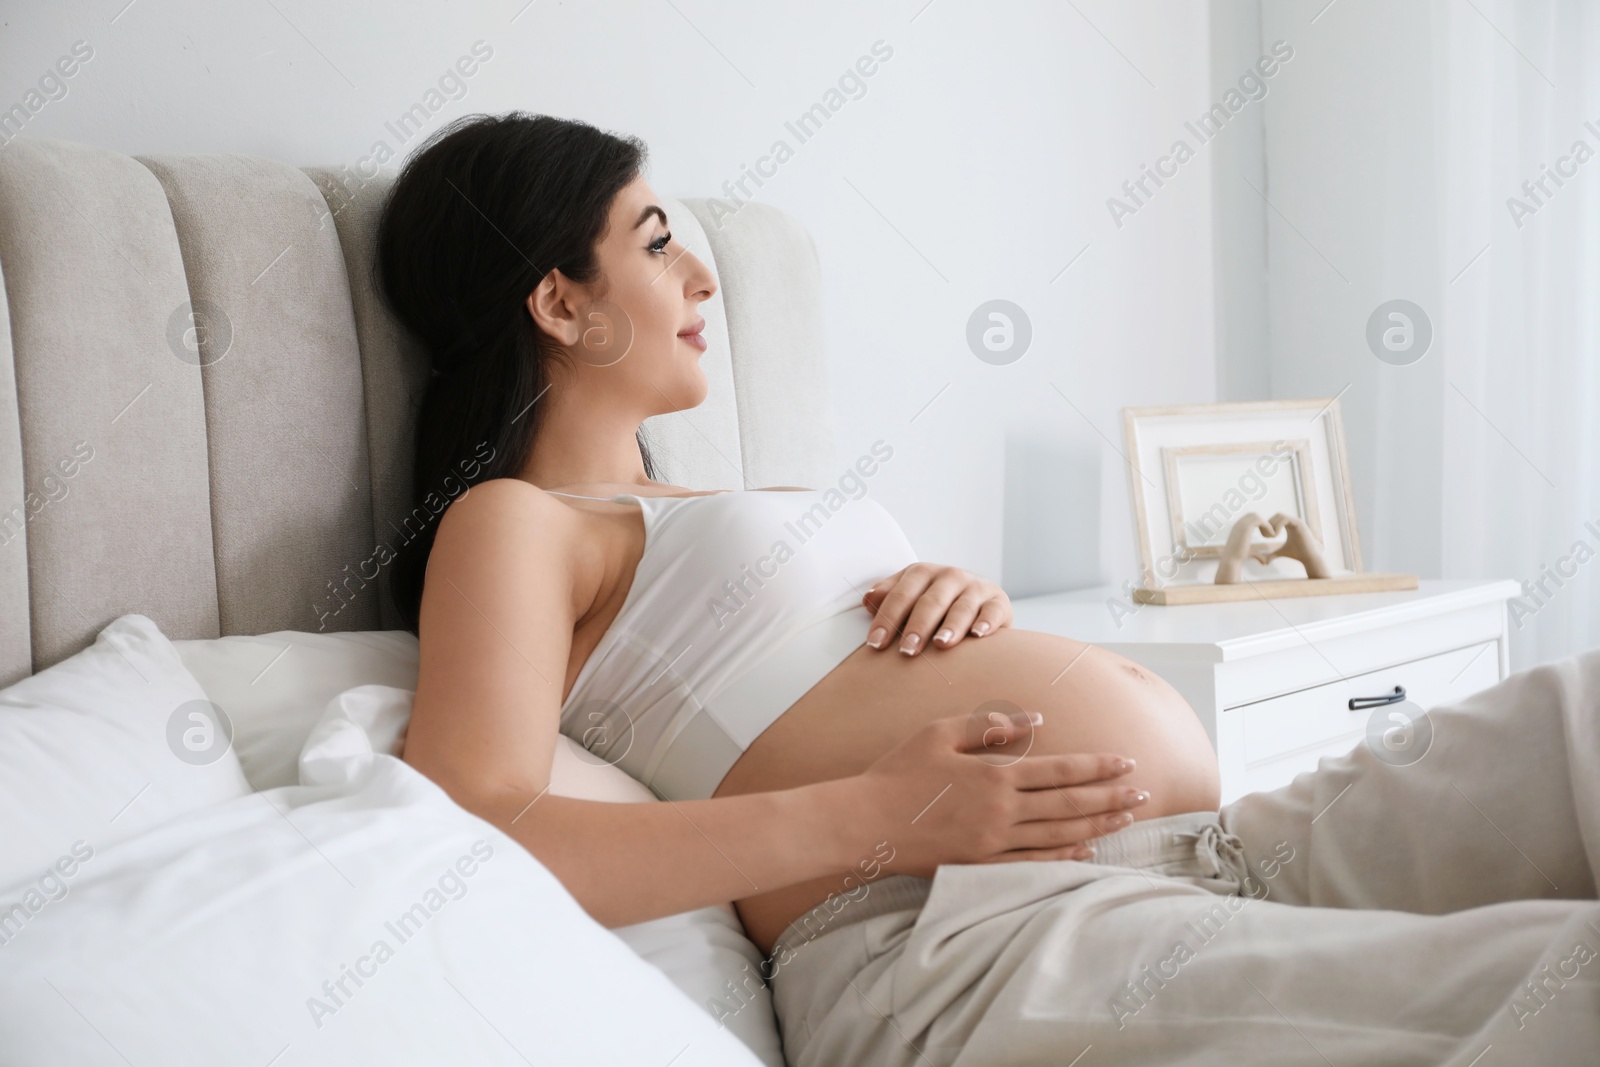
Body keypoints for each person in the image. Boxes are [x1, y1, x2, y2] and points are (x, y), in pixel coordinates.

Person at [377, 112, 1600, 1065]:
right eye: (653, 241)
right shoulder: (514, 523)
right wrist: (878, 811)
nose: (702, 276)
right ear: (557, 302)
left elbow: (793, 675)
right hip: (966, 938)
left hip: (1211, 850)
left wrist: (953, 600)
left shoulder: (724, 505)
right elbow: (482, 827)